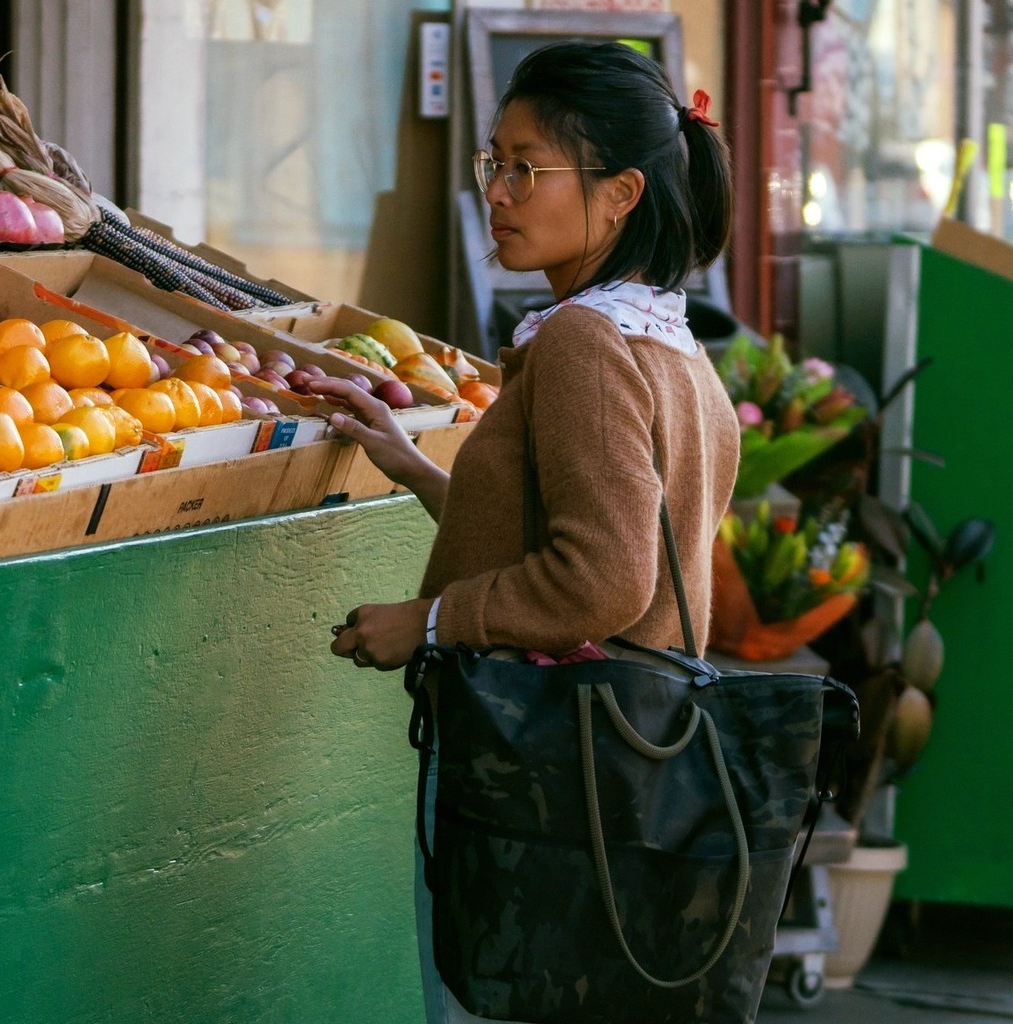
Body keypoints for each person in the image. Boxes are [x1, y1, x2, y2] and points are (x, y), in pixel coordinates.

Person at [310, 39, 740, 1024]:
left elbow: (598, 581)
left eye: (525, 167)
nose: (496, 192)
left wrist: (425, 622)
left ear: (620, 193)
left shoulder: (584, 341)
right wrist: (416, 464)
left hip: (542, 777)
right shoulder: (672, 348)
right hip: (626, 772)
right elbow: (570, 533)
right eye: (491, 162)